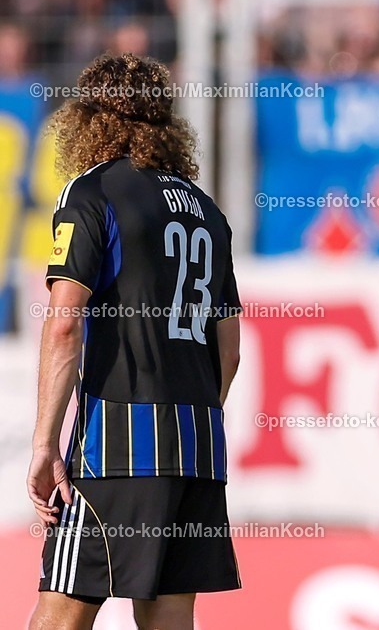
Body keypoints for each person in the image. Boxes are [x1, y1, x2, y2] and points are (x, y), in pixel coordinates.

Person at [26, 53, 242, 630]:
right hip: (198, 445)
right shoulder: (206, 210)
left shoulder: (91, 192)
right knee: (169, 619)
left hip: (117, 443)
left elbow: (65, 321)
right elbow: (231, 350)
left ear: (91, 118)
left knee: (61, 611)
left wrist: (45, 445)